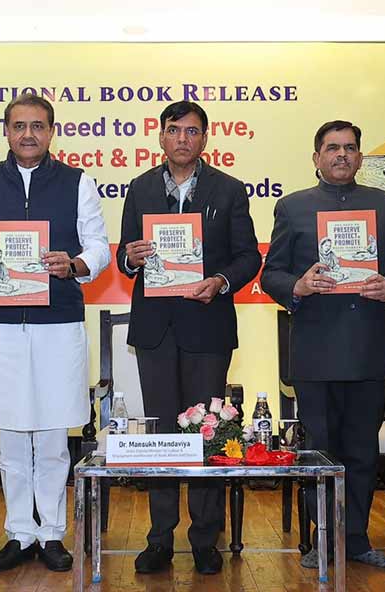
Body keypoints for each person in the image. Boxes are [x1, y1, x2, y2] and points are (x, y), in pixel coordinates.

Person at [0, 93, 110, 573]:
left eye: (38, 126)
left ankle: (53, 533)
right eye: (19, 125)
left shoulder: (78, 182)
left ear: (51, 131)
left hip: (58, 319)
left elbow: (98, 243)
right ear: (5, 130)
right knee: (12, 431)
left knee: (54, 429)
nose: (28, 134)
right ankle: (20, 531)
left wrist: (76, 262)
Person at [261, 120, 385, 570]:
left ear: (360, 157)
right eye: (332, 148)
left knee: (363, 450)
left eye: (350, 148)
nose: (342, 155)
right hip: (314, 351)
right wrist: (299, 285)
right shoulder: (292, 207)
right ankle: (319, 540)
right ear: (316, 158)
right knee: (319, 451)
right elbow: (272, 273)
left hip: (367, 348)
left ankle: (357, 538)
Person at [117, 101, 260, 575]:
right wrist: (132, 258)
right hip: (156, 329)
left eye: (192, 131)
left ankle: (204, 538)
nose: (182, 138)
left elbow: (248, 258)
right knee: (160, 433)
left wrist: (219, 281)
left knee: (207, 432)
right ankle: (159, 539)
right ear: (161, 137)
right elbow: (123, 259)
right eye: (174, 130)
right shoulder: (138, 189)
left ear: (205, 139)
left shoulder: (229, 190)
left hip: (207, 326)